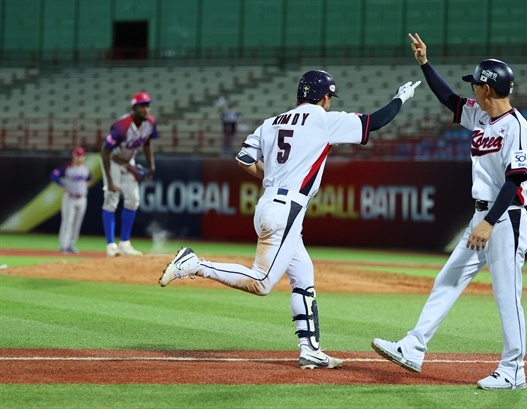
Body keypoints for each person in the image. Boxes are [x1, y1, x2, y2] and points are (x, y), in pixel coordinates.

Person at [159, 70, 421, 369]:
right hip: (288, 208)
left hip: (270, 204)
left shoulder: (271, 122)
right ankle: (194, 265)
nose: (329, 103)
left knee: (303, 276)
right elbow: (376, 121)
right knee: (261, 282)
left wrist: (272, 177)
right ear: (324, 98)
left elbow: (244, 158)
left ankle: (309, 349)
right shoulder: (323, 120)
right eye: (329, 99)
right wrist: (401, 97)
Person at [371, 33, 527, 390]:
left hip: (505, 219)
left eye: (476, 84)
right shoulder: (480, 115)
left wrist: (489, 223)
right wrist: (424, 64)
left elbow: (515, 181)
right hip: (482, 218)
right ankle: (413, 347)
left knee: (507, 296)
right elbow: (448, 99)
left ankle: (514, 371)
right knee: (448, 278)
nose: (473, 89)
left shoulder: (518, 129)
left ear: (488, 90)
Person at [101, 92, 157, 257]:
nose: (145, 109)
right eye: (142, 105)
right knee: (111, 200)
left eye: (147, 105)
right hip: (112, 161)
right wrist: (110, 180)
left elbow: (147, 143)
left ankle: (125, 243)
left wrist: (151, 165)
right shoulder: (122, 125)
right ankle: (111, 245)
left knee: (133, 200)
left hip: (128, 162)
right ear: (134, 107)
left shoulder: (150, 123)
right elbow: (105, 152)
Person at [50, 147, 92, 254]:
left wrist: (85, 186)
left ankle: (71, 245)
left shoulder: (85, 169)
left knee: (77, 222)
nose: (79, 158)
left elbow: (89, 180)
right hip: (70, 198)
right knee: (68, 221)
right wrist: (61, 185)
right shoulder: (67, 167)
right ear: (74, 156)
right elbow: (54, 175)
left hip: (82, 198)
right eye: (77, 155)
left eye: (81, 155)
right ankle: (63, 245)